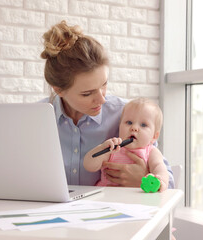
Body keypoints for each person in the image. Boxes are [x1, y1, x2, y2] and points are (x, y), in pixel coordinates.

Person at [39, 20, 174, 188]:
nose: (101, 99)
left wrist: (144, 178)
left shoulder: (128, 115)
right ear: (59, 90)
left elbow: (169, 182)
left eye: (104, 85)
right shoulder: (36, 118)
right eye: (87, 93)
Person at [83, 98, 169, 192]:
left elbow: (159, 168)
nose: (134, 128)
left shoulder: (151, 152)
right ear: (119, 126)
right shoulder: (114, 148)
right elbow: (89, 166)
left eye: (143, 125)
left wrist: (160, 180)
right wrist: (102, 148)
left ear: (154, 136)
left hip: (136, 200)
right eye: (129, 122)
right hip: (107, 197)